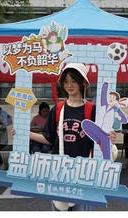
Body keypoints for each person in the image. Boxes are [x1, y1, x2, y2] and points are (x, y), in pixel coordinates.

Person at [26, 62, 107, 211]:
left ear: (83, 83)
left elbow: (101, 140)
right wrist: (27, 134)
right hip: (59, 171)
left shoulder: (92, 110)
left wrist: (109, 138)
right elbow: (49, 138)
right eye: (66, 82)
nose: (69, 85)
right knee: (59, 209)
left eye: (73, 81)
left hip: (84, 172)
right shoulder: (58, 109)